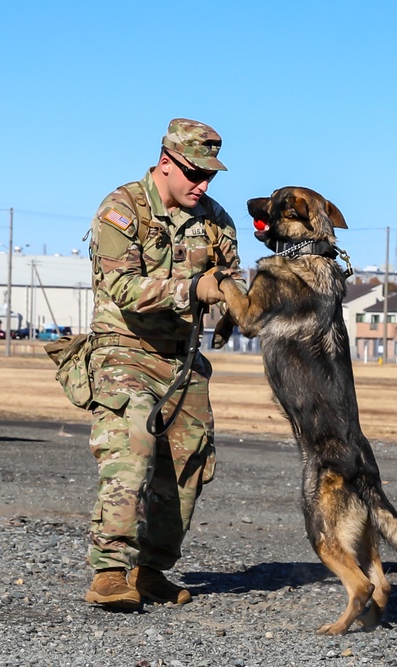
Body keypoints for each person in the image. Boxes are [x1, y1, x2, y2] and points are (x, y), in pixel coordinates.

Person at [83, 118, 245, 609]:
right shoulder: (122, 209)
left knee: (189, 463)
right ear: (166, 162)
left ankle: (150, 570)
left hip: (182, 358)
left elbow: (231, 276)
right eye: (195, 173)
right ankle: (110, 572)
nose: (203, 184)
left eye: (211, 176)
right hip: (124, 348)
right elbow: (122, 289)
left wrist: (237, 296)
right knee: (133, 444)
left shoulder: (216, 219)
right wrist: (193, 289)